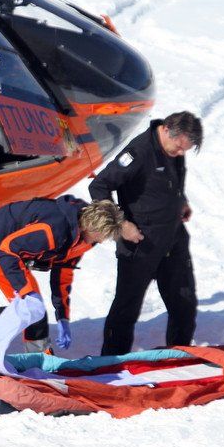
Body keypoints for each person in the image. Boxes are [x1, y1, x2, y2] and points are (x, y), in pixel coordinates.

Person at [0, 196, 125, 406]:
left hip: (7, 258)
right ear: (92, 226)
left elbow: (62, 273)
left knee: (35, 314)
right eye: (102, 235)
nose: (102, 241)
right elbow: (7, 250)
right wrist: (25, 291)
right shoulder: (53, 229)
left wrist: (62, 315)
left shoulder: (83, 238)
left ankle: (39, 376)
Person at [89, 111, 203, 356]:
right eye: (179, 147)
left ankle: (179, 354)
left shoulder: (173, 148)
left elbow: (168, 180)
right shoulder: (138, 153)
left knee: (184, 301)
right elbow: (99, 185)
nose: (180, 153)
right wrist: (120, 223)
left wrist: (179, 201)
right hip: (141, 242)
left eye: (185, 150)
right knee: (127, 306)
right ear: (166, 130)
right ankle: (111, 361)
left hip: (173, 237)